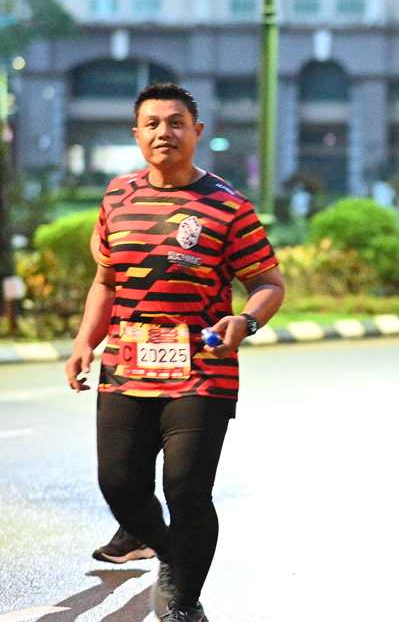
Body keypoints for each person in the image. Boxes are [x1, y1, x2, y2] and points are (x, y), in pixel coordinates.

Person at [65, 82, 285, 622]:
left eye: (176, 122)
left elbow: (269, 283)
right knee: (118, 483)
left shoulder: (228, 206)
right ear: (137, 134)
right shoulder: (117, 197)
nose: (164, 132)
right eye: (153, 124)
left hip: (203, 369)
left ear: (197, 132)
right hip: (126, 365)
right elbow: (106, 281)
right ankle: (169, 550)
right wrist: (85, 341)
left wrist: (247, 320)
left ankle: (183, 598)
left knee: (187, 488)